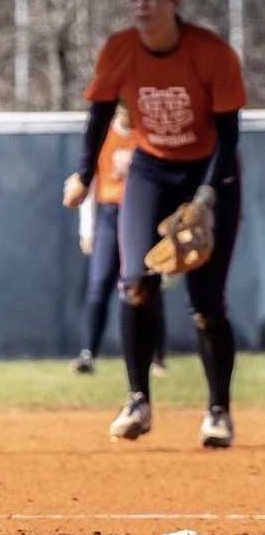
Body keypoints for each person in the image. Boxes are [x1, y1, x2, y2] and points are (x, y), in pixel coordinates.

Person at [63, 0, 246, 447]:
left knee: (206, 304)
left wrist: (208, 194)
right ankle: (138, 400)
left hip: (212, 172)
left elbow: (229, 134)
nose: (141, 4)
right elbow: (99, 114)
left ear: (175, 2)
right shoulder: (120, 49)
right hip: (152, 169)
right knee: (136, 283)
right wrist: (84, 174)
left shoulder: (211, 52)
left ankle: (218, 412)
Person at [69, 103, 167, 375]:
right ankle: (87, 353)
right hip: (110, 215)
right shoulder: (104, 134)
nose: (127, 109)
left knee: (146, 284)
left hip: (143, 213)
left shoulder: (147, 134)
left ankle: (155, 356)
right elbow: (89, 183)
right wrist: (86, 229)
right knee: (99, 283)